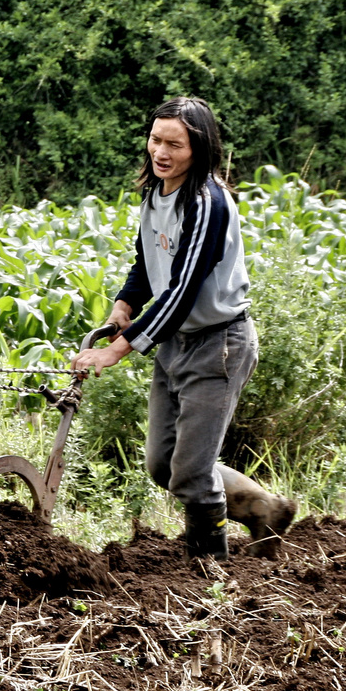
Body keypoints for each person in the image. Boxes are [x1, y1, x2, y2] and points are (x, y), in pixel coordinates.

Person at [72, 97, 255, 561]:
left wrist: (118, 350)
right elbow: (147, 262)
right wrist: (124, 305)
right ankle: (264, 507)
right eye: (156, 140)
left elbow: (183, 289)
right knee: (163, 465)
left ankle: (210, 567)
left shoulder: (207, 203)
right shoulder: (157, 194)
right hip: (176, 342)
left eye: (175, 144)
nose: (161, 152)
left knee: (191, 475)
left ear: (200, 148)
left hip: (219, 344)